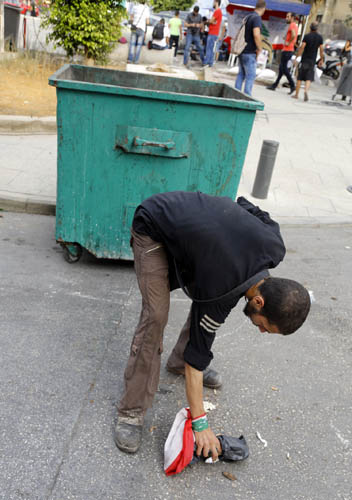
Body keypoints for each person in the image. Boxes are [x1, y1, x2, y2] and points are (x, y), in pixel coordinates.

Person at [114, 191, 311, 456]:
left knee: (206, 299)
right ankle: (131, 412)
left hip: (201, 247)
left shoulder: (274, 245)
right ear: (259, 302)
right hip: (153, 225)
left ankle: (176, 361)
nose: (262, 331)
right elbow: (197, 358)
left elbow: (245, 205)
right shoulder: (221, 288)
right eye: (266, 326)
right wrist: (201, 425)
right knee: (156, 316)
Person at [235, 0, 266, 96]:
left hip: (242, 50)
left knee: (241, 74)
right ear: (264, 9)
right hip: (249, 52)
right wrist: (260, 48)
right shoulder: (257, 18)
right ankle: (247, 97)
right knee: (250, 76)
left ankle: (235, 96)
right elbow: (256, 35)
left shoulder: (248, 17)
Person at [267, 12, 298, 94]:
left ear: (292, 17)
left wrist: (288, 42)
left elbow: (294, 35)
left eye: (288, 17)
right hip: (288, 50)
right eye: (286, 16)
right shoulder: (294, 25)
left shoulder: (292, 25)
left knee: (284, 69)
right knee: (281, 69)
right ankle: (274, 85)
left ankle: (292, 85)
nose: (286, 18)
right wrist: (286, 39)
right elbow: (293, 35)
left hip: (287, 50)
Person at [292, 22, 323, 102]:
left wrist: (297, 56)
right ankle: (306, 91)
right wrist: (321, 59)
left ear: (310, 28)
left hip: (305, 59)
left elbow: (302, 47)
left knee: (300, 77)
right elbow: (321, 49)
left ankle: (296, 95)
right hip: (312, 61)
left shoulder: (307, 36)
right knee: (309, 78)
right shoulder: (320, 37)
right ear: (317, 28)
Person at [203, 0, 223, 68]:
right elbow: (213, 21)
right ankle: (210, 63)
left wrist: (207, 21)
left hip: (213, 33)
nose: (213, 4)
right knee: (211, 48)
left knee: (209, 48)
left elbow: (211, 20)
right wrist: (211, 21)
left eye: (213, 2)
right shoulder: (219, 11)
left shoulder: (217, 11)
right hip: (214, 32)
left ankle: (206, 63)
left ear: (216, 2)